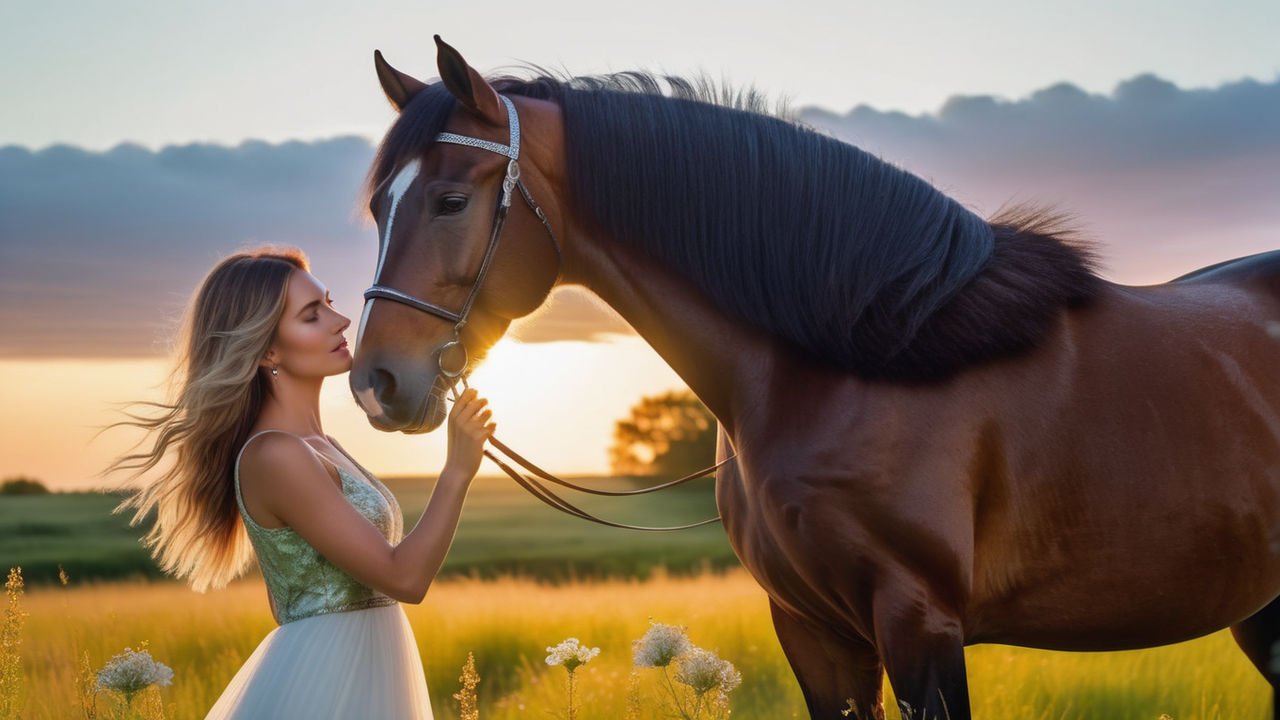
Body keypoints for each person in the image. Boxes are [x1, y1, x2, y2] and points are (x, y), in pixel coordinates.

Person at [109, 247, 492, 718]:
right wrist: (457, 471)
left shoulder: (319, 444)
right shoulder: (276, 454)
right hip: (325, 680)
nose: (343, 320)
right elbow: (405, 579)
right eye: (313, 316)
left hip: (366, 667)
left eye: (329, 303)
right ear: (268, 348)